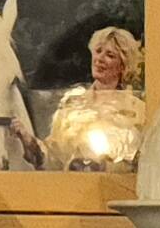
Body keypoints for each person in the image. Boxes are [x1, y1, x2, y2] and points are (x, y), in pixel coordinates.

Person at [41, 24, 147, 172]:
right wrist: (29, 142)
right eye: (98, 51)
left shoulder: (138, 110)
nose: (100, 59)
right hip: (70, 188)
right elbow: (52, 156)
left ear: (123, 66)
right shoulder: (72, 104)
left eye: (110, 55)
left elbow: (142, 163)